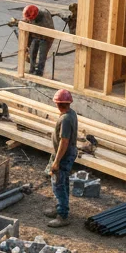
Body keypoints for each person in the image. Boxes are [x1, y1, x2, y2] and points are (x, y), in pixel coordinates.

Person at [45, 89, 79, 228]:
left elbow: (64, 141)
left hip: (64, 155)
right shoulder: (71, 113)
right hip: (68, 153)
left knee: (58, 184)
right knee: (62, 182)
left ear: (58, 104)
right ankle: (59, 207)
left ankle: (62, 215)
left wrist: (56, 162)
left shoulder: (65, 119)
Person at [19, 3, 56, 77]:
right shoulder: (30, 11)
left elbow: (48, 30)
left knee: (42, 55)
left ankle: (39, 71)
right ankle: (32, 69)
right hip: (35, 35)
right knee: (32, 52)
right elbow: (26, 20)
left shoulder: (45, 15)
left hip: (45, 37)